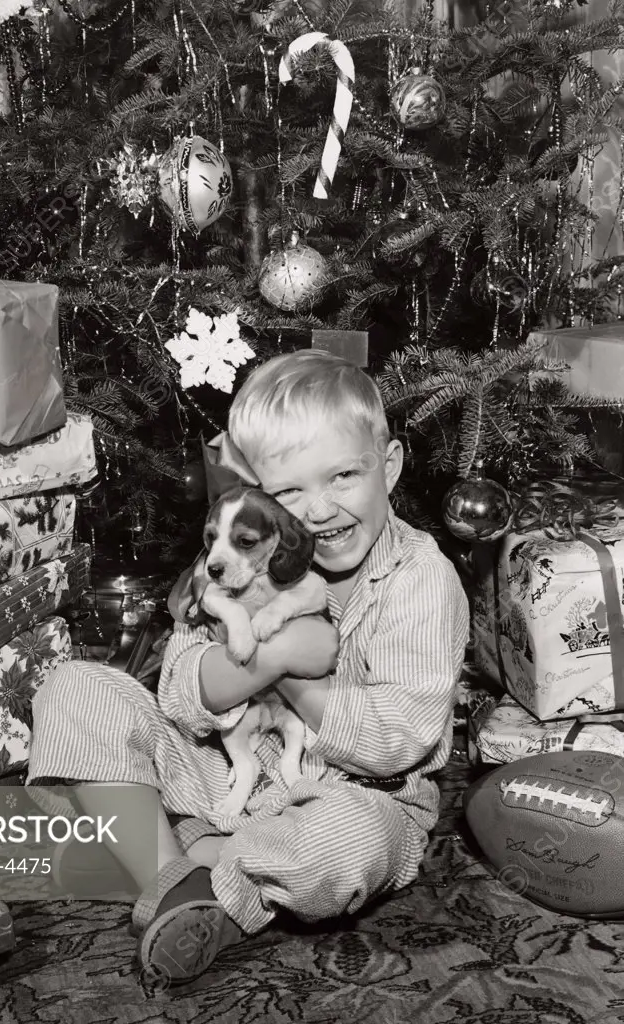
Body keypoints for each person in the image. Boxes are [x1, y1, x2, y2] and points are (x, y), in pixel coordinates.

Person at [27, 349, 469, 987]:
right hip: (218, 772)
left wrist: (304, 681)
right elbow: (179, 694)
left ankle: (205, 885)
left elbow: (398, 741)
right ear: (256, 497)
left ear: (390, 466)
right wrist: (280, 657)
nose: (318, 511)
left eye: (343, 475)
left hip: (353, 794)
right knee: (75, 687)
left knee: (353, 839)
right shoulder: (234, 561)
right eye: (289, 491)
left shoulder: (422, 579)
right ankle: (175, 872)